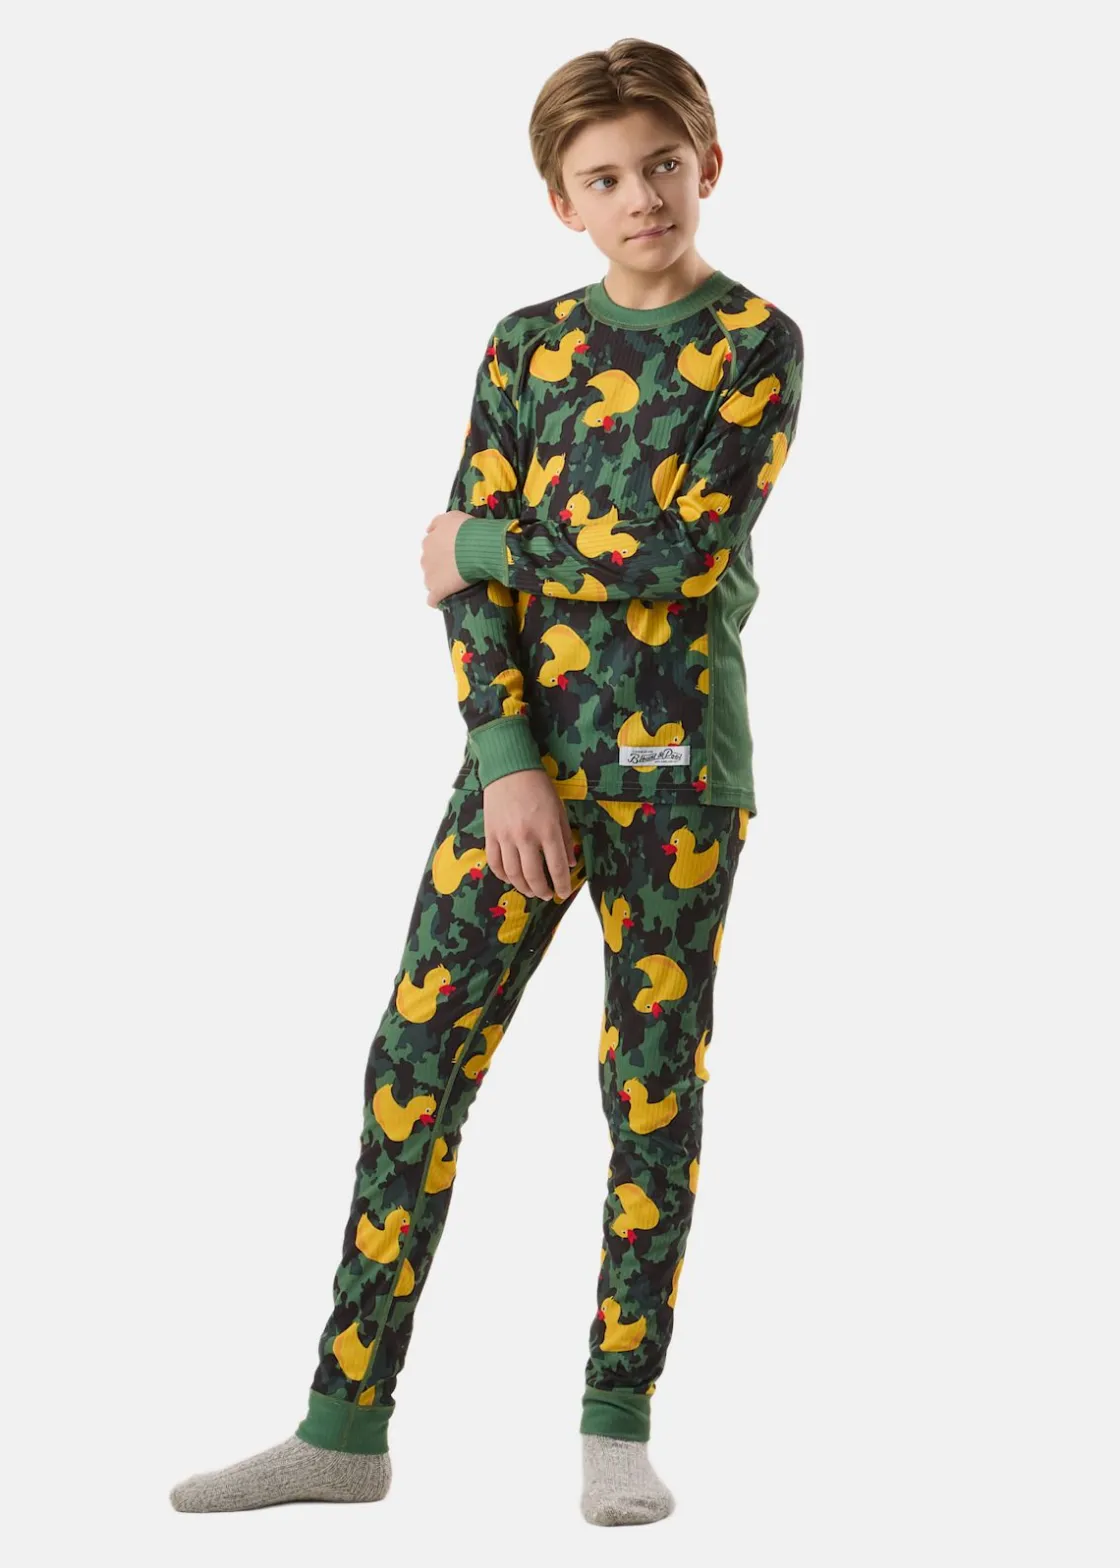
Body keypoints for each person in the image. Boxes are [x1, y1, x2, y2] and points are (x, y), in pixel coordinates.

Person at [170, 35, 804, 1526]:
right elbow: (467, 596)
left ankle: (615, 1425)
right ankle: (343, 1428)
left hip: (675, 778)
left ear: (709, 165)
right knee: (415, 1068)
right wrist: (506, 760)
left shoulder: (757, 342)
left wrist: (492, 544)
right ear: (561, 201)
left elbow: (674, 555)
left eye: (663, 165)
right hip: (518, 775)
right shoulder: (526, 348)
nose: (641, 197)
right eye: (606, 178)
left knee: (649, 1094)